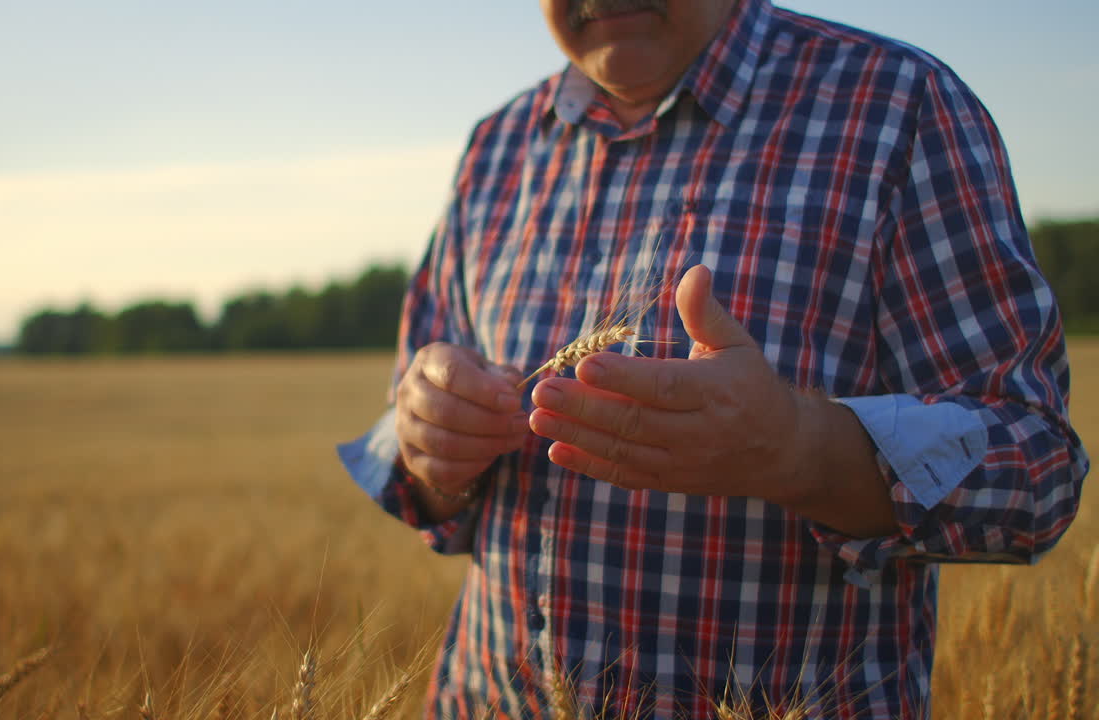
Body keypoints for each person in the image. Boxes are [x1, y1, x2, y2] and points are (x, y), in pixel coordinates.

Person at [337, 0, 1090, 717]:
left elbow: (1037, 470)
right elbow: (405, 456)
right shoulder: (496, 146)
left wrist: (798, 449)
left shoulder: (897, 108)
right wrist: (430, 442)